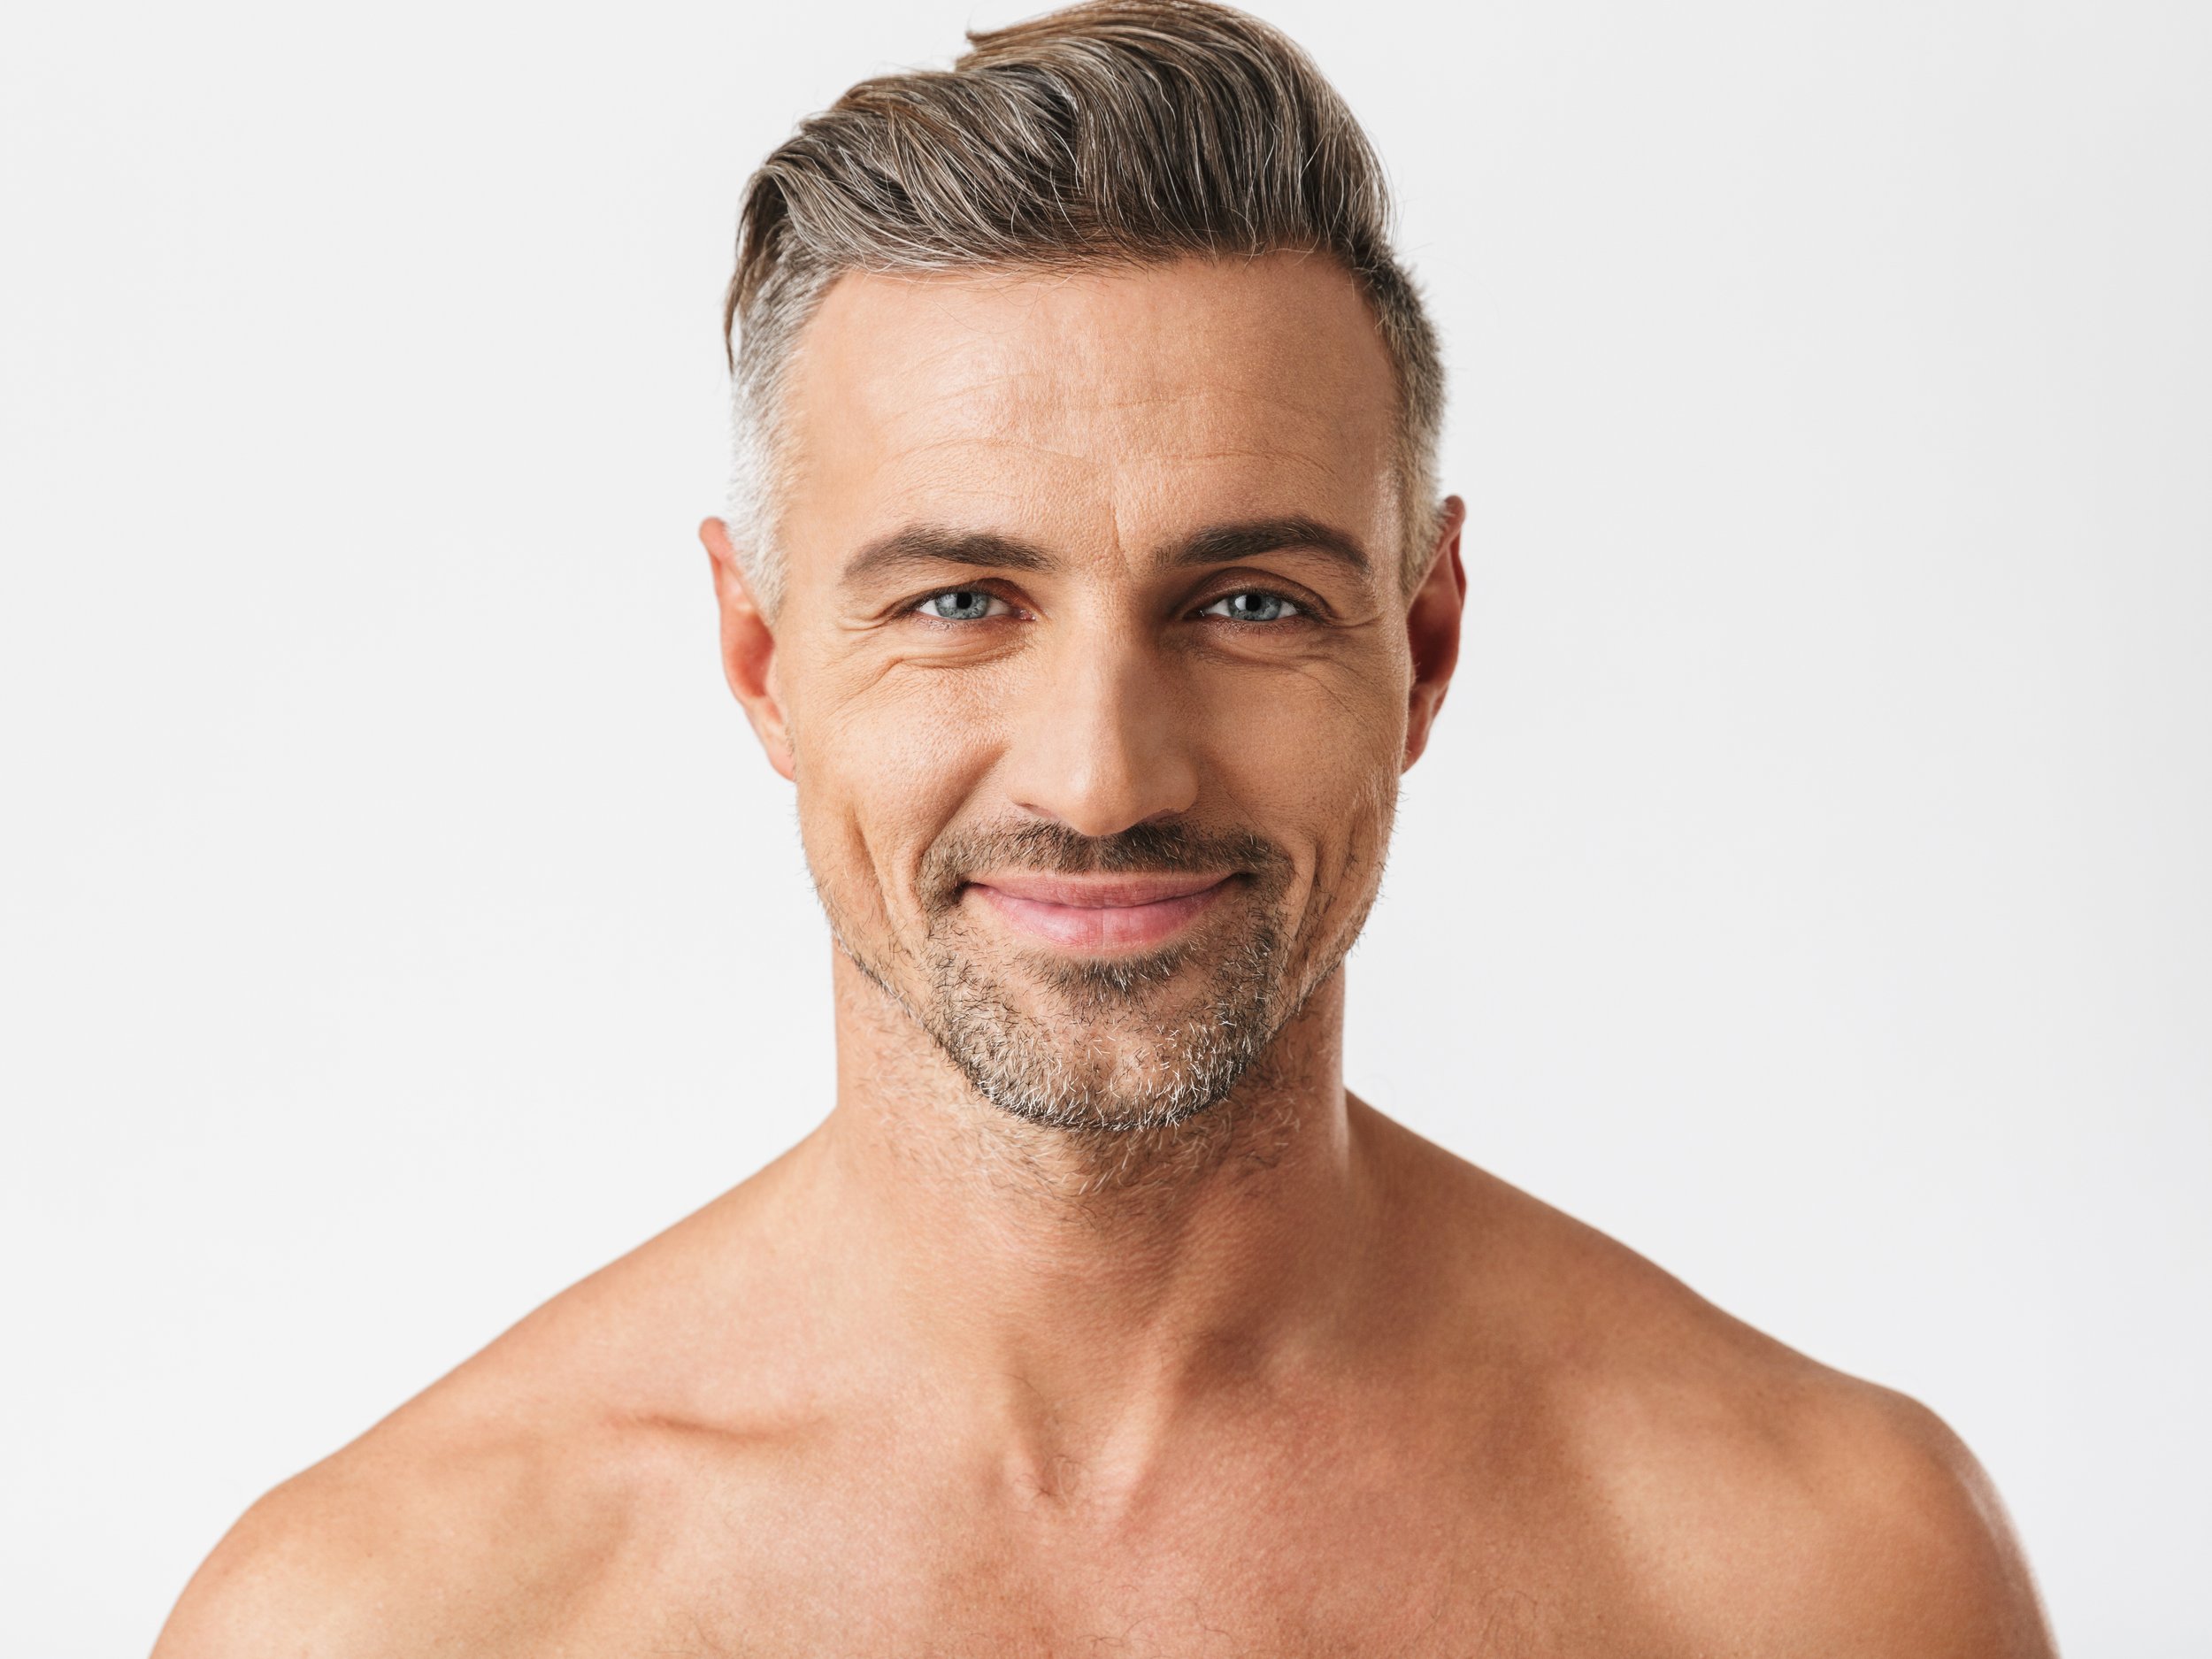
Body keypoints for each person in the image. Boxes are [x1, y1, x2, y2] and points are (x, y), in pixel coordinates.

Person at [155, 3, 2057, 1652]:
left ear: (1422, 642)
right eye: (959, 600)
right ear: (759, 655)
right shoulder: (393, 1615)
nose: (1100, 776)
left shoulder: (1814, 1574)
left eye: (1244, 602)